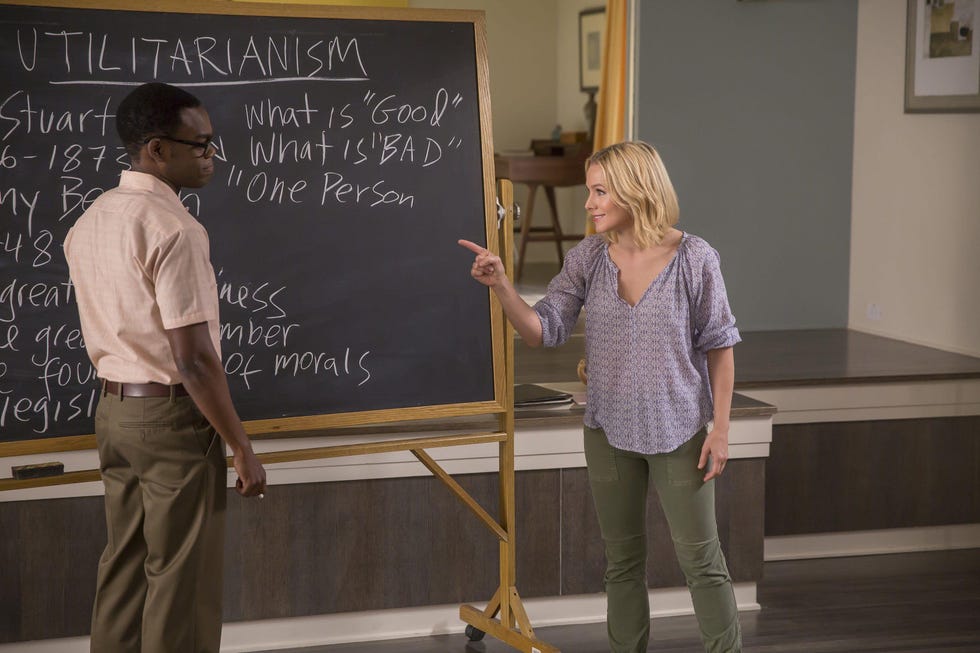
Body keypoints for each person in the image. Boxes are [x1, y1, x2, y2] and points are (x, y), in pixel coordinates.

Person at [459, 140, 742, 652]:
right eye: (590, 191)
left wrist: (720, 431)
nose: (588, 203)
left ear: (637, 191)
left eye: (599, 191)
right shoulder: (588, 257)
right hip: (608, 433)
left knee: (702, 562)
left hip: (680, 432)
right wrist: (501, 285)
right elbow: (542, 330)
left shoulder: (695, 258)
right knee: (622, 564)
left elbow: (720, 350)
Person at [64, 82, 267, 653]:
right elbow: (195, 359)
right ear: (157, 149)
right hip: (172, 421)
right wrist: (241, 447)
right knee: (183, 577)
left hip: (113, 413)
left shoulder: (93, 218)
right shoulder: (175, 229)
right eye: (199, 145)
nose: (211, 156)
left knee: (125, 566)